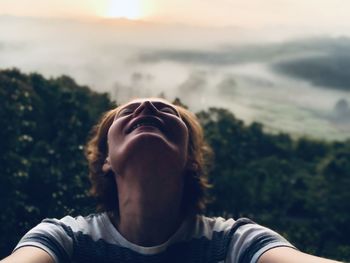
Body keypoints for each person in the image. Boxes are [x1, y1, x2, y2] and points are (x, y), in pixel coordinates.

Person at [2, 98, 343, 263]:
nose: (148, 105)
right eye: (127, 112)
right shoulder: (62, 240)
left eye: (169, 114)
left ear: (191, 159)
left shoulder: (236, 244)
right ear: (105, 159)